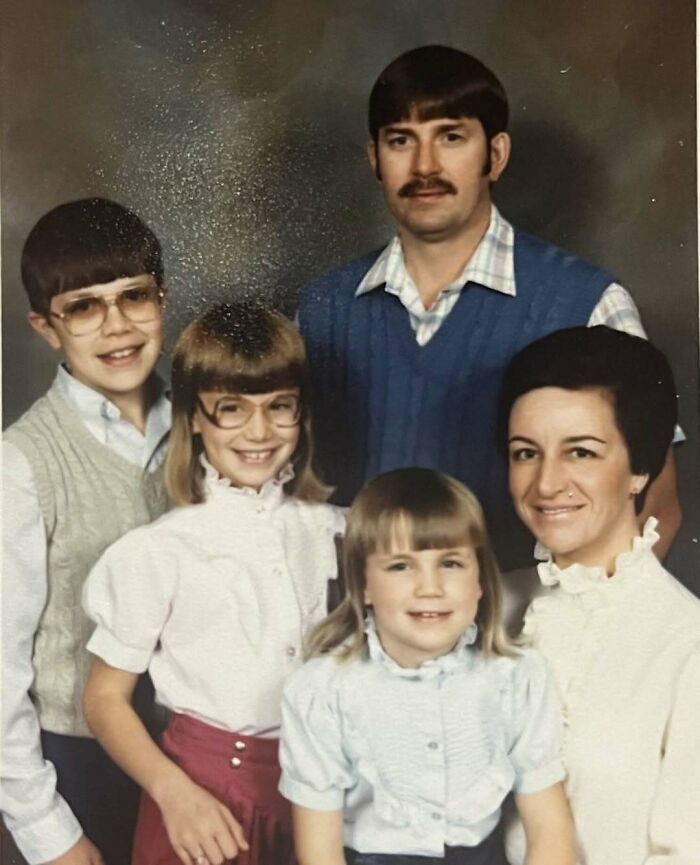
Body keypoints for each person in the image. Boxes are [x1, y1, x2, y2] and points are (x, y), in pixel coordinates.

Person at [297, 44, 681, 569]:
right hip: (363, 633)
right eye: (401, 141)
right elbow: (292, 494)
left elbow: (656, 506)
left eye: (451, 137)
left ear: (495, 155)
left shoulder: (589, 303)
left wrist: (572, 633)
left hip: (530, 633)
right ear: (375, 159)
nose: (424, 165)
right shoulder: (322, 311)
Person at [81, 302, 345, 865]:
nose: (259, 430)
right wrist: (174, 794)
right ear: (193, 419)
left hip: (318, 796)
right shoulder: (160, 551)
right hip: (203, 797)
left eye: (280, 408)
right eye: (231, 409)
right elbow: (104, 700)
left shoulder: (338, 530)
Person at [279, 467, 576, 865]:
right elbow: (319, 854)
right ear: (363, 584)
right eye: (401, 566)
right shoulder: (323, 690)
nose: (430, 587)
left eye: (451, 563)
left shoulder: (515, 677)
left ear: (480, 580)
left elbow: (549, 831)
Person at [1, 198, 170, 865]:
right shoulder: (23, 463)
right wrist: (49, 830)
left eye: (135, 296)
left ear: (162, 298)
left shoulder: (206, 427)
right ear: (46, 327)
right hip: (78, 765)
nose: (117, 325)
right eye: (83, 306)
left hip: (189, 751)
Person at [498, 326, 700, 864]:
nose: (545, 484)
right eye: (525, 453)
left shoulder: (687, 643)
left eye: (581, 453)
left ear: (640, 468)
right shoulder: (485, 607)